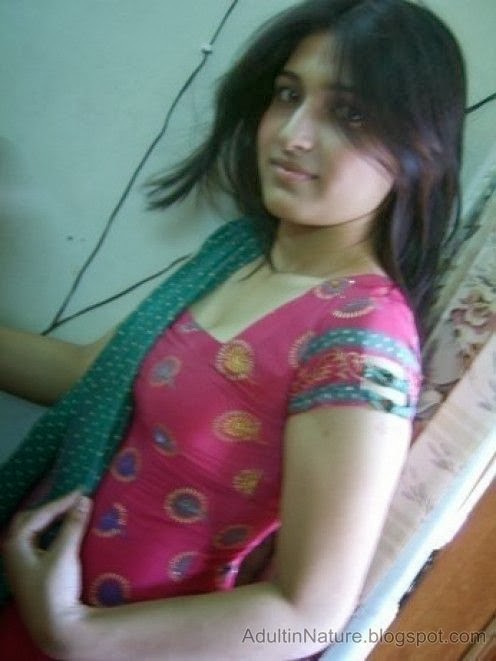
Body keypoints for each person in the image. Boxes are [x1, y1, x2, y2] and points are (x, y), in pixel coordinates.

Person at [0, 0, 465, 658]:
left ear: (420, 148)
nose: (292, 134)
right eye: (288, 95)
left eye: (350, 114)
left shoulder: (362, 341)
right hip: (30, 597)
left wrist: (75, 635)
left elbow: (308, 613)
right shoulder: (238, 252)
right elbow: (89, 374)